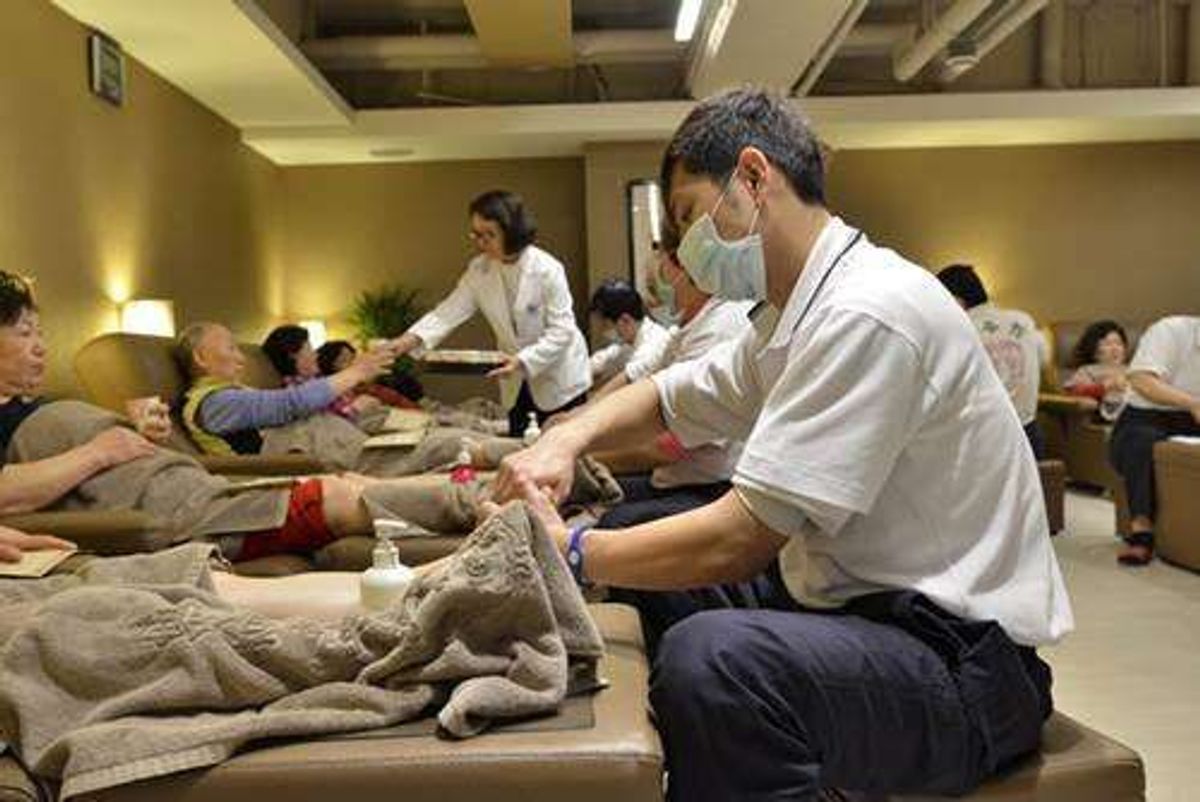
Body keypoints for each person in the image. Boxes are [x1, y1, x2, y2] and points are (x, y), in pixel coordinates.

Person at [491, 88, 1071, 802]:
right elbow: (676, 393)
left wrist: (574, 551)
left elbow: (740, 540)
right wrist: (567, 438)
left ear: (753, 177)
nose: (686, 247)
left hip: (963, 662)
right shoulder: (793, 315)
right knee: (645, 549)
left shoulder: (868, 310)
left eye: (688, 215)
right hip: (858, 602)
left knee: (713, 661)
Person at [389, 190, 591, 439]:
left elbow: (562, 331)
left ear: (512, 231)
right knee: (519, 446)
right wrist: (409, 340)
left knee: (561, 446)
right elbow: (449, 311)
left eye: (489, 234)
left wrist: (523, 360)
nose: (481, 242)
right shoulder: (479, 269)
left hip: (558, 376)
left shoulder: (547, 269)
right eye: (476, 234)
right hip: (514, 378)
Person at [177, 322, 393, 456]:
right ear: (201, 358)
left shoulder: (233, 392)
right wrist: (354, 372)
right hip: (289, 468)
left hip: (326, 444)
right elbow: (290, 404)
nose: (241, 358)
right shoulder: (214, 402)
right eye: (231, 348)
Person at [1108, 315, 1200, 566]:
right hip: (1146, 416)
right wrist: (1192, 404)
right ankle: (1142, 532)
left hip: (1193, 420)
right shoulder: (1170, 330)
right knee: (1142, 442)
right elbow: (1141, 380)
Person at [936, 264, 1049, 458]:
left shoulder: (958, 328)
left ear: (954, 299)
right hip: (1029, 439)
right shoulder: (1024, 320)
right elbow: (1044, 360)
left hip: (982, 441)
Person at [262, 324, 381, 420]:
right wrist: (356, 408)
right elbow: (322, 423)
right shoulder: (296, 389)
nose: (316, 355)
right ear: (293, 355)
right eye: (309, 349)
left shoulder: (317, 379)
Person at [587, 279, 672, 397]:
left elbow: (628, 378)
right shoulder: (630, 342)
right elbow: (603, 359)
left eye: (605, 325)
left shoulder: (654, 344)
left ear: (625, 320)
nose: (603, 331)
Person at [316, 339, 422, 409]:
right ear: (331, 369)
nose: (352, 363)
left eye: (352, 357)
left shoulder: (370, 382)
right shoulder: (345, 395)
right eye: (344, 361)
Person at [1064, 320, 1130, 422]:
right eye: (1107, 344)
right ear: (1093, 349)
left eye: (1119, 344)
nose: (1115, 349)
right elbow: (1073, 391)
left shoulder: (1133, 369)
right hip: (1105, 415)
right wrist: (1103, 387)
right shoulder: (1088, 370)